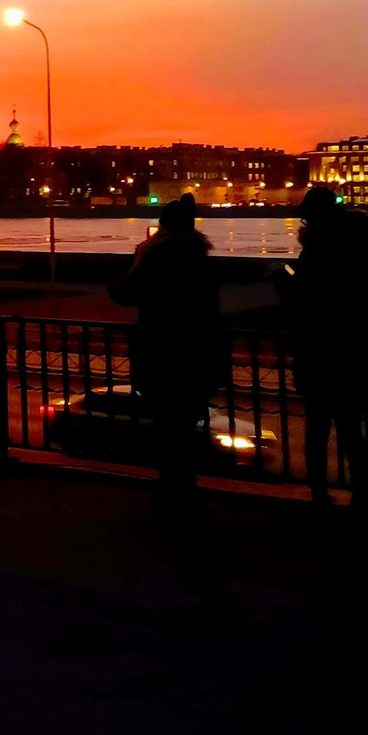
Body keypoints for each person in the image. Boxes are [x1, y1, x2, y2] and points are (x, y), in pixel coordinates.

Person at [110, 195, 226, 516]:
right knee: (186, 431)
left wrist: (138, 260)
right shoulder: (203, 261)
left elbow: (121, 293)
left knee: (167, 434)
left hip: (161, 356)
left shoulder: (156, 260)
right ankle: (186, 497)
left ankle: (170, 500)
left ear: (162, 228)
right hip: (199, 356)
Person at [286, 185, 368, 510]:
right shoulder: (359, 241)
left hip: (318, 347)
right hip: (353, 347)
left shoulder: (315, 247)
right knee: (351, 426)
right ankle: (360, 492)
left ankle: (318, 490)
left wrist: (285, 279)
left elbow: (301, 289)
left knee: (317, 428)